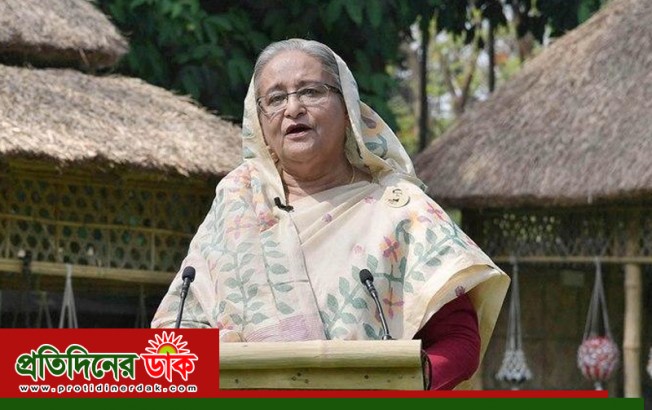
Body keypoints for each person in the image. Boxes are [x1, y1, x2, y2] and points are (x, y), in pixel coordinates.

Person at [151, 38, 511, 390]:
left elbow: (459, 341)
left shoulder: (401, 212)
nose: (293, 108)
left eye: (311, 92)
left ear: (348, 107)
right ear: (258, 121)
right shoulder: (236, 205)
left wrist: (398, 383)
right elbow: (178, 335)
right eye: (275, 99)